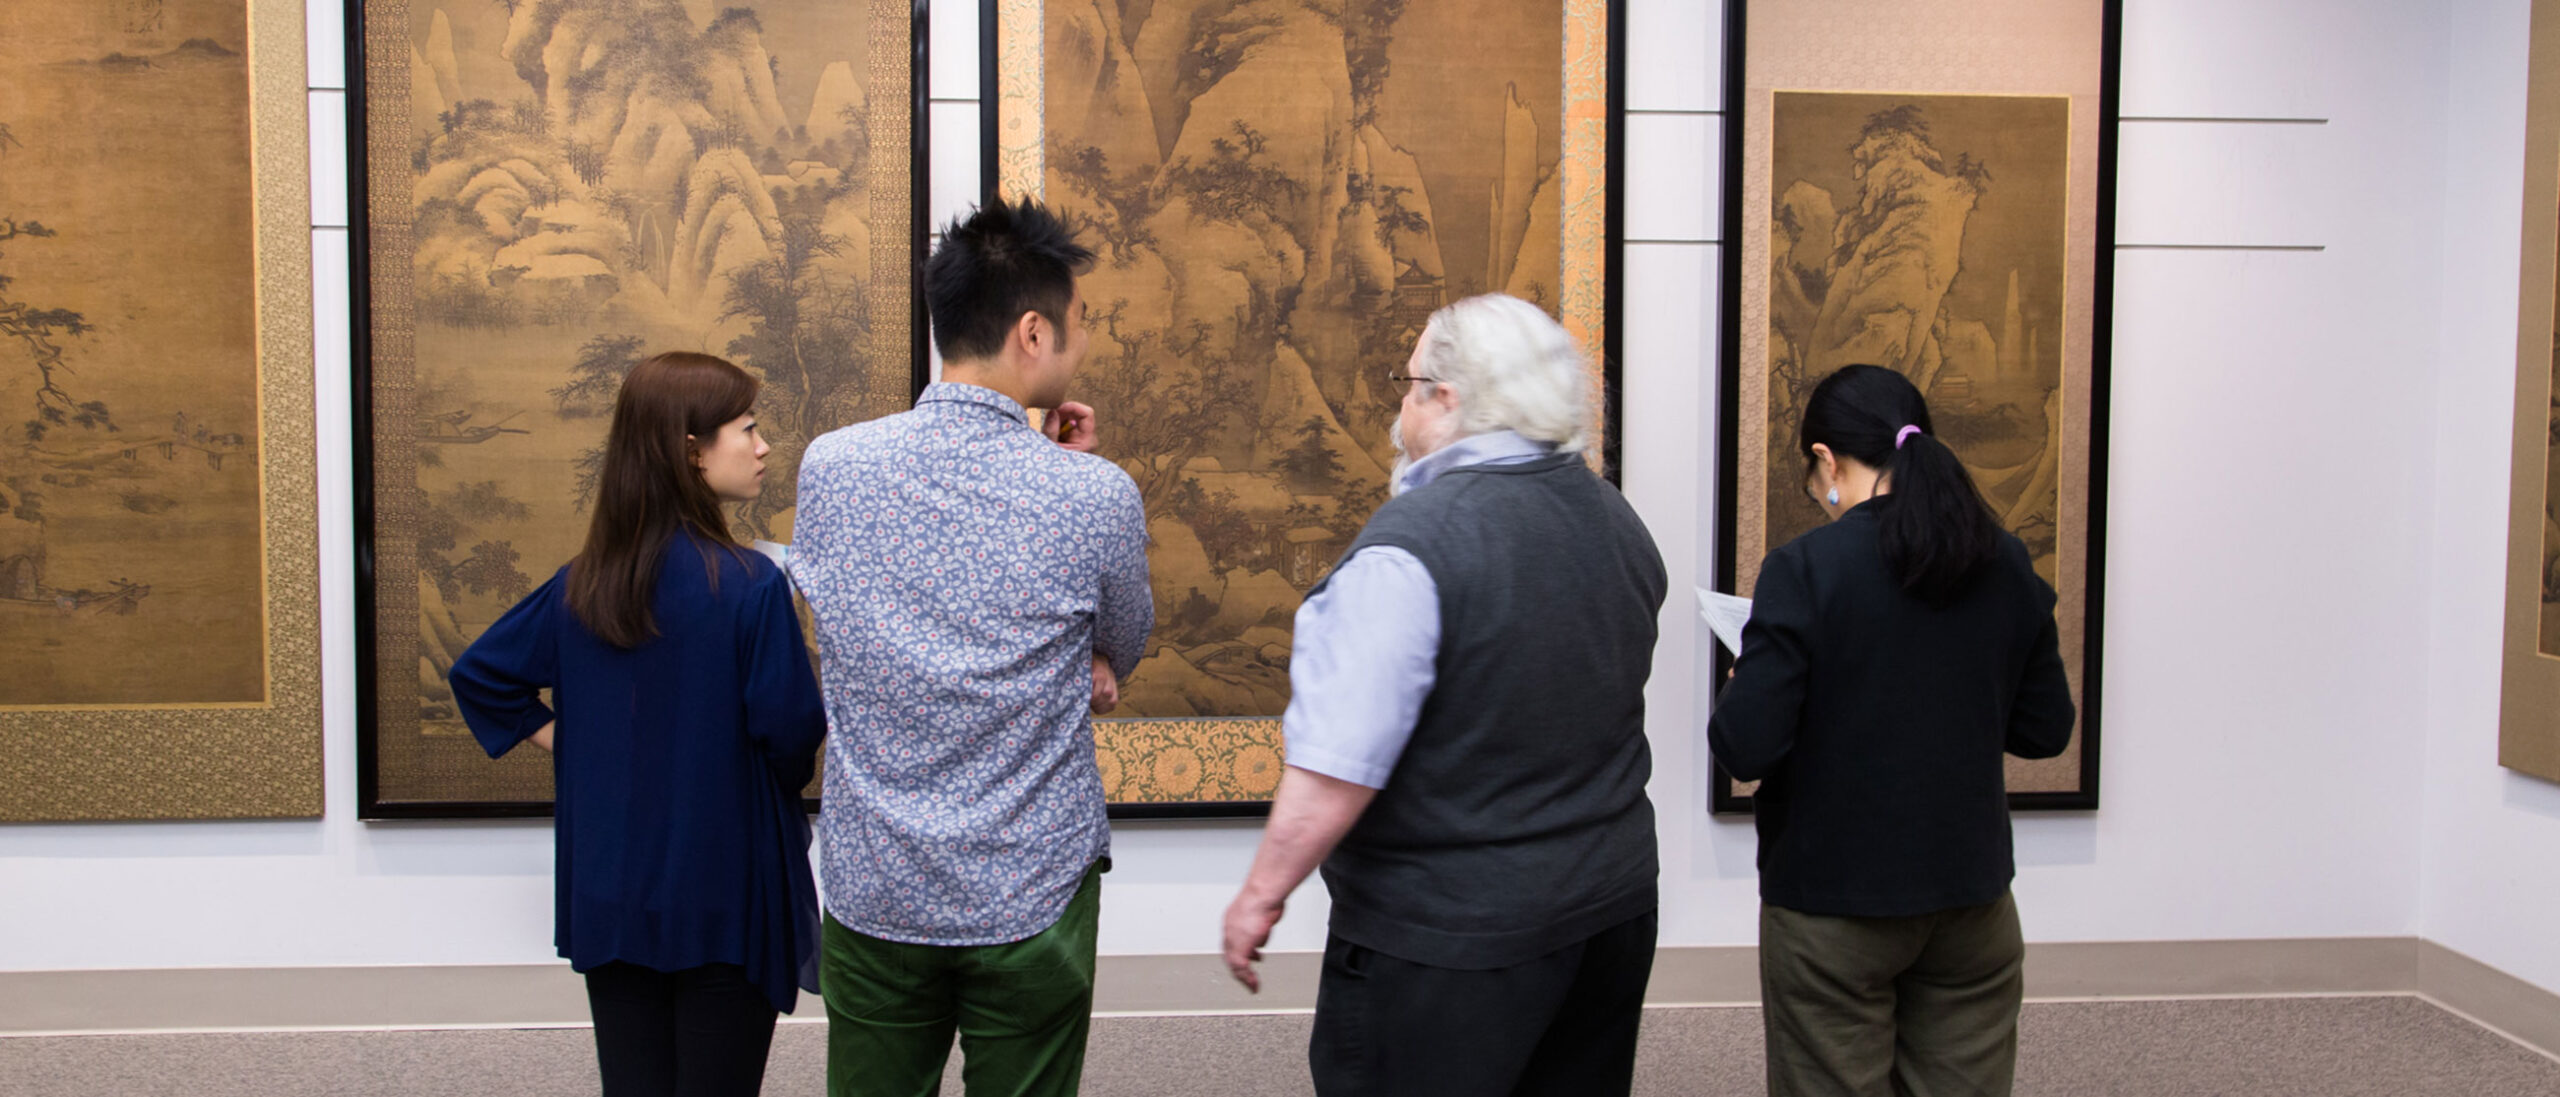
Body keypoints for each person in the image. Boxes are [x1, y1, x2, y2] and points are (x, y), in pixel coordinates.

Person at [1220, 294, 1669, 1097]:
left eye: (1409, 381)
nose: (1399, 405)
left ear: (1448, 398)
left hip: (1451, 946)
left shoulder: (1408, 551)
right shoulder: (1616, 519)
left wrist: (1259, 896)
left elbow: (1336, 768)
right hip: (1611, 915)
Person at [791, 197, 1152, 1097]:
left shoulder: (833, 467)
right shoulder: (1096, 495)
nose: (1079, 344)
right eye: (1074, 327)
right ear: (1033, 331)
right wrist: (1072, 472)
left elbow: (825, 609)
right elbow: (1122, 644)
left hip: (878, 876)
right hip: (1032, 876)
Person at [448, 351, 827, 1097]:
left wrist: (571, 739)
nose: (762, 446)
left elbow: (481, 675)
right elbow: (793, 733)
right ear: (692, 450)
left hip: (613, 891)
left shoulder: (583, 583)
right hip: (725, 892)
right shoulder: (751, 588)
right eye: (746, 429)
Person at [1708, 363, 2077, 1097]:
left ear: (1825, 459)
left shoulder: (1805, 568)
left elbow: (1745, 745)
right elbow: (2045, 729)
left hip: (1832, 906)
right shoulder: (2004, 559)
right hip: (1971, 899)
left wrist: (1746, 684)